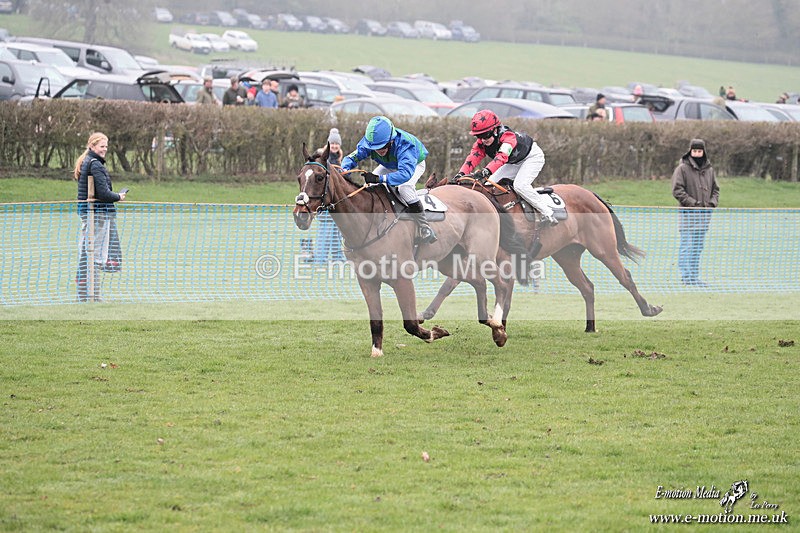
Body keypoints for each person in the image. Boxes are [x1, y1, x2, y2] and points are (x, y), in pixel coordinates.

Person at [450, 109, 558, 226]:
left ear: (495, 130)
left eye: (485, 135)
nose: (483, 139)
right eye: (479, 136)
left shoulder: (508, 137)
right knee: (488, 185)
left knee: (520, 186)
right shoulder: (481, 142)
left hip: (531, 157)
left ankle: (548, 213)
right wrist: (461, 174)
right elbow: (472, 158)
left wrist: (486, 171)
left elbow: (502, 157)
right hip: (513, 162)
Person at [342, 115, 437, 244]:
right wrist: (344, 170)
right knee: (369, 186)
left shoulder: (405, 145)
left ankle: (424, 226)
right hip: (390, 164)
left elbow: (404, 174)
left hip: (413, 165)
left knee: (404, 189)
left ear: (391, 139)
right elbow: (351, 158)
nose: (379, 150)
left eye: (383, 146)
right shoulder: (369, 143)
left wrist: (380, 179)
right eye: (375, 148)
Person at [74, 132, 126, 302]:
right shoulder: (95, 164)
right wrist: (118, 196)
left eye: (106, 146)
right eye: (102, 146)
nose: (105, 149)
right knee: (95, 256)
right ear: (92, 146)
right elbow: (103, 193)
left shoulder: (87, 161)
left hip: (89, 213)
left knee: (87, 253)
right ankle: (94, 295)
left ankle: (86, 295)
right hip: (98, 214)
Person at [671, 138, 719, 287]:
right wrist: (693, 204)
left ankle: (694, 277)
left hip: (704, 217)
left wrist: (711, 203)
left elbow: (715, 190)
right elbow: (677, 190)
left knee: (697, 248)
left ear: (703, 152)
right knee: (687, 246)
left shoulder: (710, 170)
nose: (697, 154)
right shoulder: (682, 169)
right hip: (688, 216)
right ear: (690, 151)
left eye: (699, 151)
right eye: (694, 151)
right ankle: (686, 277)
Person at [311, 128, 347, 263]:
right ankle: (320, 258)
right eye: (332, 143)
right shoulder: (322, 158)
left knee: (337, 231)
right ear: (328, 144)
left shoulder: (340, 159)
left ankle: (338, 258)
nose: (334, 146)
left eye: (337, 144)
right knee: (325, 231)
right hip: (325, 201)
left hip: (337, 202)